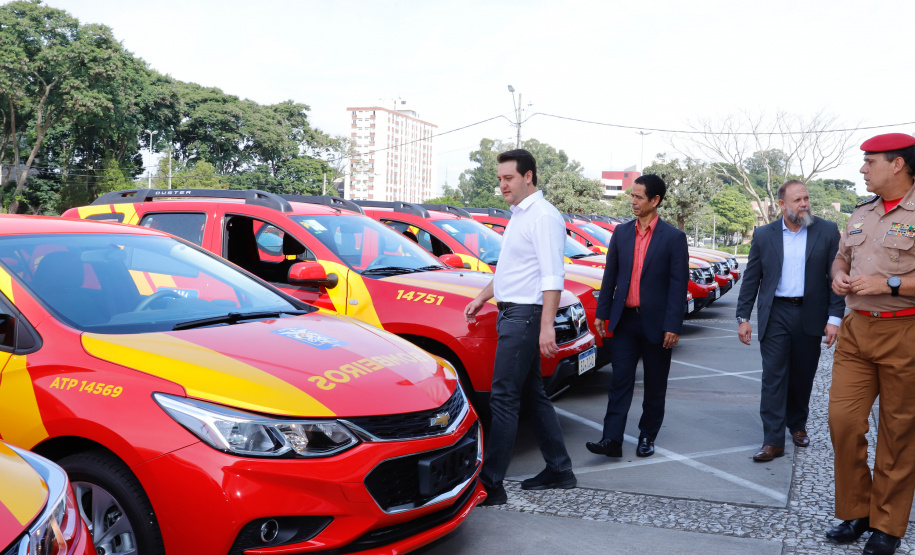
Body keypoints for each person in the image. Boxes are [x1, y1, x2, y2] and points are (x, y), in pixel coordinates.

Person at [464, 149, 575, 506]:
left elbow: (552, 276)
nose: (502, 185)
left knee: (503, 396)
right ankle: (560, 469)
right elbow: (512, 271)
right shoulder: (520, 215)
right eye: (499, 179)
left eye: (508, 178)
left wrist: (547, 327)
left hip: (525, 316)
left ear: (528, 176)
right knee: (531, 394)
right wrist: (482, 297)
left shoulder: (543, 216)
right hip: (513, 313)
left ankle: (491, 484)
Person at [826, 133, 915, 555]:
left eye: (870, 161)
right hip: (856, 329)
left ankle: (887, 525)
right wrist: (837, 274)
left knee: (898, 433)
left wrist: (889, 283)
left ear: (897, 164)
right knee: (843, 422)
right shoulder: (861, 212)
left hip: (905, 331)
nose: (863, 169)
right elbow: (841, 256)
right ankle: (857, 510)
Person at [735, 180, 844, 463]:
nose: (804, 204)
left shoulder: (827, 231)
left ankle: (797, 425)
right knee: (773, 377)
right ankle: (772, 441)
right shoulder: (764, 234)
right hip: (776, 313)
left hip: (811, 313)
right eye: (797, 200)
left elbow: (836, 278)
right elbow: (751, 279)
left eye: (806, 198)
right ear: (782, 204)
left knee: (802, 374)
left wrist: (834, 318)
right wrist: (743, 317)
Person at [585, 174, 688, 458]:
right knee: (620, 381)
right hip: (625, 321)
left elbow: (678, 286)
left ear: (655, 200)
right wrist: (602, 312)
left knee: (655, 384)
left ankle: (647, 436)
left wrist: (673, 325)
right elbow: (610, 275)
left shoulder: (673, 238)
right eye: (632, 196)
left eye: (639, 197)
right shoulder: (621, 233)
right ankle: (611, 440)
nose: (633, 201)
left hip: (657, 324)